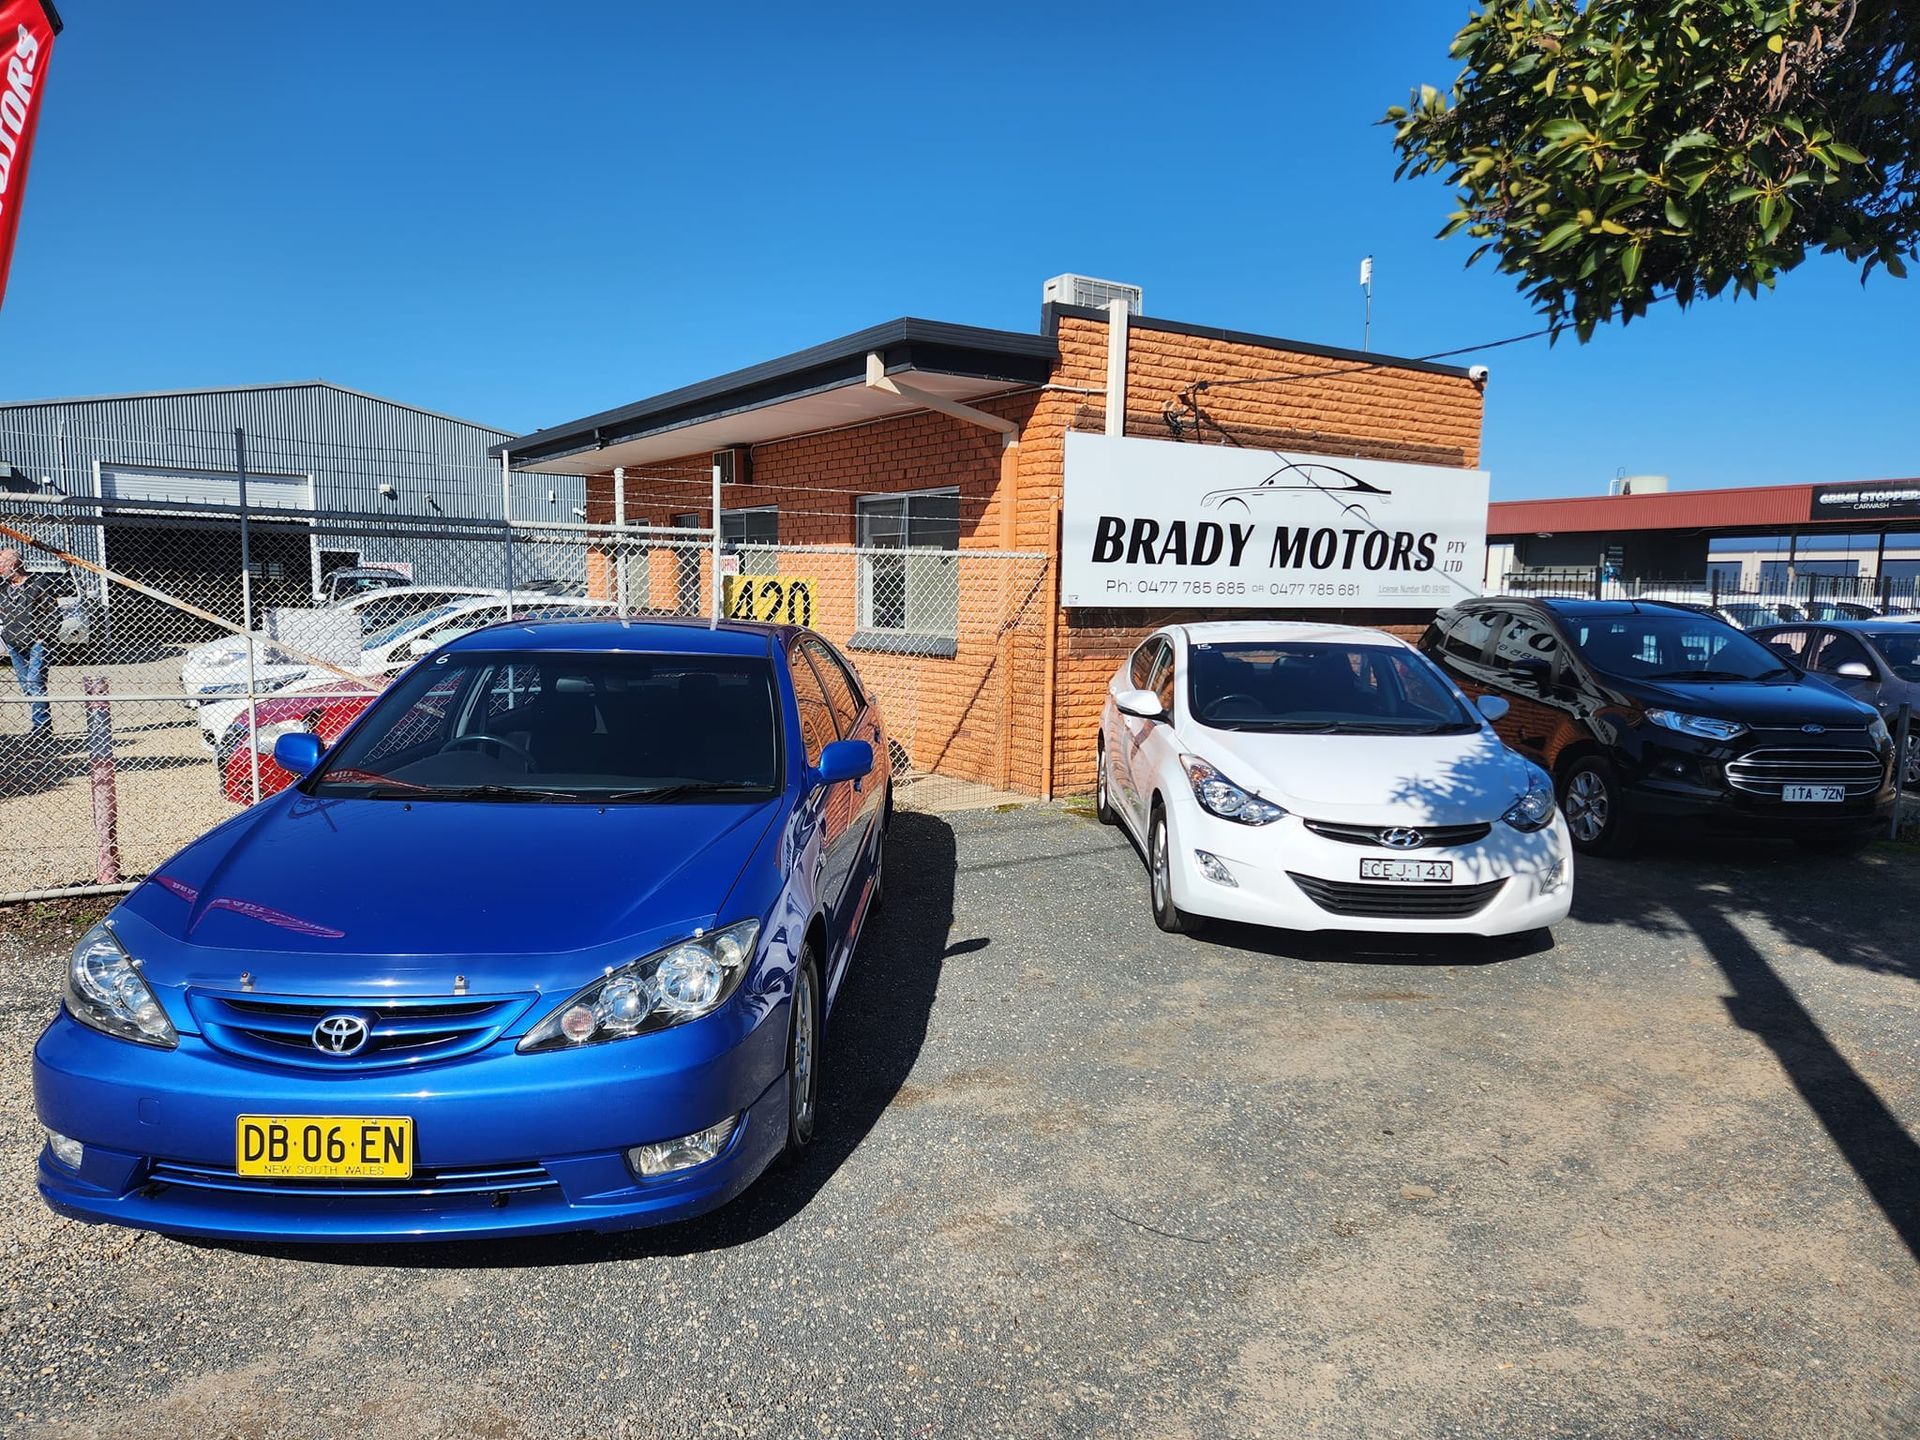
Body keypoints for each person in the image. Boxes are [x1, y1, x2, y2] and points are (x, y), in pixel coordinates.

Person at [0, 546, 59, 747]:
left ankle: (41, 729)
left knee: (35, 682)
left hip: (36, 642)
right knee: (26, 686)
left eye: (1, 564)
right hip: (14, 643)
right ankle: (41, 724)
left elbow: (53, 613)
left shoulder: (37, 584)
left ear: (13, 565)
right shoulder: (3, 588)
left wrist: (43, 637)